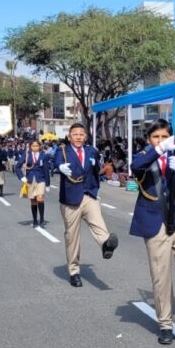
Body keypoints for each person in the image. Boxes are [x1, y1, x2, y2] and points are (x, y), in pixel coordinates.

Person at [130, 120, 175, 344]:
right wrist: (160, 150)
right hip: (154, 219)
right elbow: (136, 167)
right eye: (156, 137)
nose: (160, 141)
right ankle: (165, 323)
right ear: (149, 139)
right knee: (161, 274)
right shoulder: (144, 155)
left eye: (164, 137)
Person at [54, 123, 118, 287]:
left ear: (86, 137)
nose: (78, 137)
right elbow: (56, 160)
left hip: (89, 195)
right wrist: (60, 167)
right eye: (75, 134)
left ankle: (106, 244)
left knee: (98, 222)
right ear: (69, 136)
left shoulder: (92, 151)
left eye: (81, 134)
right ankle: (74, 271)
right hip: (70, 199)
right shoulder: (62, 151)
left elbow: (97, 168)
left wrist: (96, 186)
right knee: (72, 237)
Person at [22, 140, 51, 228]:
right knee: (33, 200)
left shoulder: (43, 156)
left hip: (40, 179)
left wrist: (48, 184)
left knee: (40, 198)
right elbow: (18, 166)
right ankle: (35, 220)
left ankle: (41, 219)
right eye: (33, 146)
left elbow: (46, 170)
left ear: (39, 147)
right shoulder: (27, 155)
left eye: (36, 146)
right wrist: (21, 177)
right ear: (31, 147)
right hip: (30, 179)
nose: (35, 147)